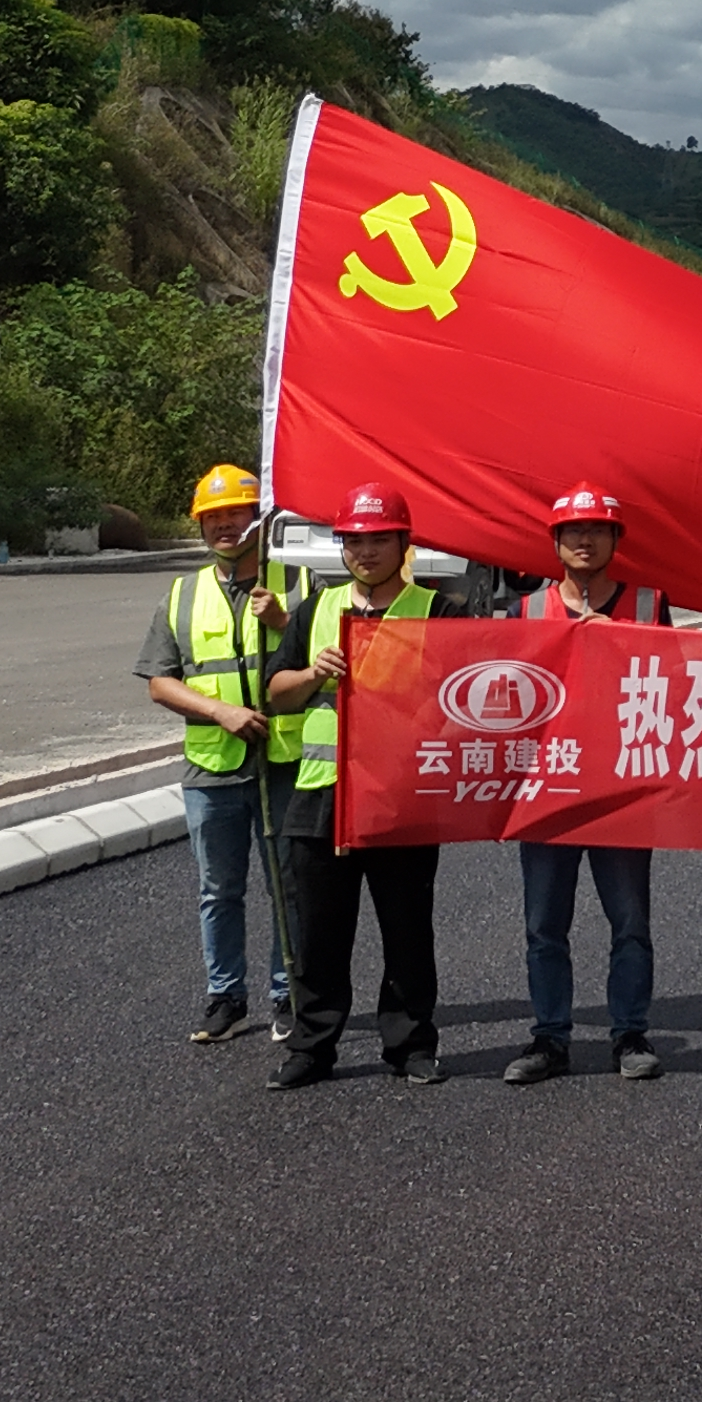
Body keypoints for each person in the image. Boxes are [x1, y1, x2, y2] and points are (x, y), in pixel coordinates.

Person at [263, 483, 466, 1089]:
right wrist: (310, 673)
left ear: (403, 543)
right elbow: (277, 693)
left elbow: (466, 695)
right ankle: (312, 1047)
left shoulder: (440, 612)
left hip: (400, 795)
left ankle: (410, 1045)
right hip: (321, 792)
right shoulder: (315, 609)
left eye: (379, 539)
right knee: (320, 933)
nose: (366, 551)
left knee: (406, 927)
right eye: (355, 540)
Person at [499, 484, 666, 1085]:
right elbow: (507, 699)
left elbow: (673, 687)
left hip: (622, 791)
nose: (586, 540)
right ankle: (550, 1037)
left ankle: (630, 1033)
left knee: (630, 924)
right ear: (556, 543)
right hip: (550, 791)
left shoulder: (648, 605)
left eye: (597, 530)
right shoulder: (526, 611)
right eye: (574, 531)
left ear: (617, 540)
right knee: (545, 925)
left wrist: (618, 646)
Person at [134, 463, 303, 1045]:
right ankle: (226, 996)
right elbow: (160, 680)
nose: (227, 525)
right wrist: (222, 713)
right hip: (212, 767)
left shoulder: (299, 584)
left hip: (286, 762)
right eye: (215, 518)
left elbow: (333, 657)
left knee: (288, 885)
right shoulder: (182, 594)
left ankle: (290, 996)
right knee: (218, 891)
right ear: (201, 527)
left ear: (260, 517)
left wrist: (284, 621)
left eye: (238, 513)